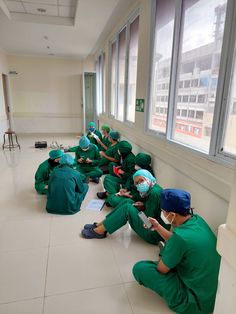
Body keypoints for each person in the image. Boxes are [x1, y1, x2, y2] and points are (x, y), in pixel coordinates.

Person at [132, 189, 220, 314]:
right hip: (212, 298)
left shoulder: (180, 238)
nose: (162, 214)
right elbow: (180, 240)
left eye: (163, 211)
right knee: (174, 253)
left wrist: (166, 255)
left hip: (195, 305)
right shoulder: (197, 220)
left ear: (172, 215)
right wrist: (157, 227)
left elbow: (162, 269)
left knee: (140, 268)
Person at [81, 169, 169, 240]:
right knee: (128, 202)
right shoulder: (153, 188)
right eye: (137, 183)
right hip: (153, 223)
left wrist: (142, 208)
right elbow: (153, 209)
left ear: (148, 178)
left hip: (155, 233)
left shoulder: (154, 193)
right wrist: (144, 205)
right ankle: (102, 224)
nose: (139, 184)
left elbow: (149, 218)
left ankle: (99, 231)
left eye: (141, 180)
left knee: (127, 208)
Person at [97, 140, 135, 205]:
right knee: (112, 164)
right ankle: (109, 193)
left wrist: (123, 173)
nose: (118, 150)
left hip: (126, 180)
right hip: (122, 174)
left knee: (107, 178)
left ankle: (110, 195)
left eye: (119, 149)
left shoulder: (130, 159)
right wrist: (120, 167)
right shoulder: (126, 155)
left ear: (122, 151)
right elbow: (126, 167)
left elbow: (131, 177)